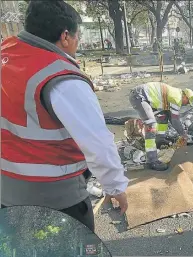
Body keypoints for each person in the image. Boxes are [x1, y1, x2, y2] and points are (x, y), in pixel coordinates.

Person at [1, 0, 129, 232]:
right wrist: (114, 187)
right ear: (65, 36)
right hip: (56, 199)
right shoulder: (61, 77)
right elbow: (98, 143)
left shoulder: (6, 55)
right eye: (78, 36)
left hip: (7, 193)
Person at [128, 83, 193, 171]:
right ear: (185, 97)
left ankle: (160, 138)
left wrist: (182, 133)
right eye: (187, 102)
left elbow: (171, 117)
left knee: (163, 116)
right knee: (150, 125)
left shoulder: (176, 94)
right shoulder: (177, 98)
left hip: (143, 97)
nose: (186, 105)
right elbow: (175, 120)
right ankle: (152, 160)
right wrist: (183, 134)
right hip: (139, 97)